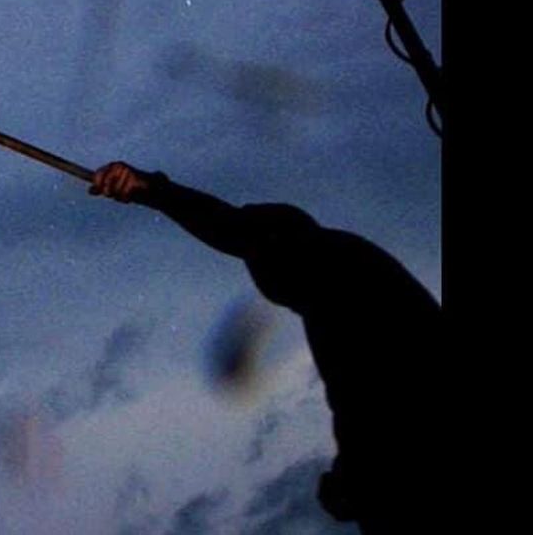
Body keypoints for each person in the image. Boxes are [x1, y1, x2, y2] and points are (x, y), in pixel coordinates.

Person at [89, 161, 445, 533]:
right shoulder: (347, 281)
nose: (265, 284)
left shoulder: (333, 277)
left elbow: (227, 226)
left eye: (260, 266)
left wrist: (151, 190)